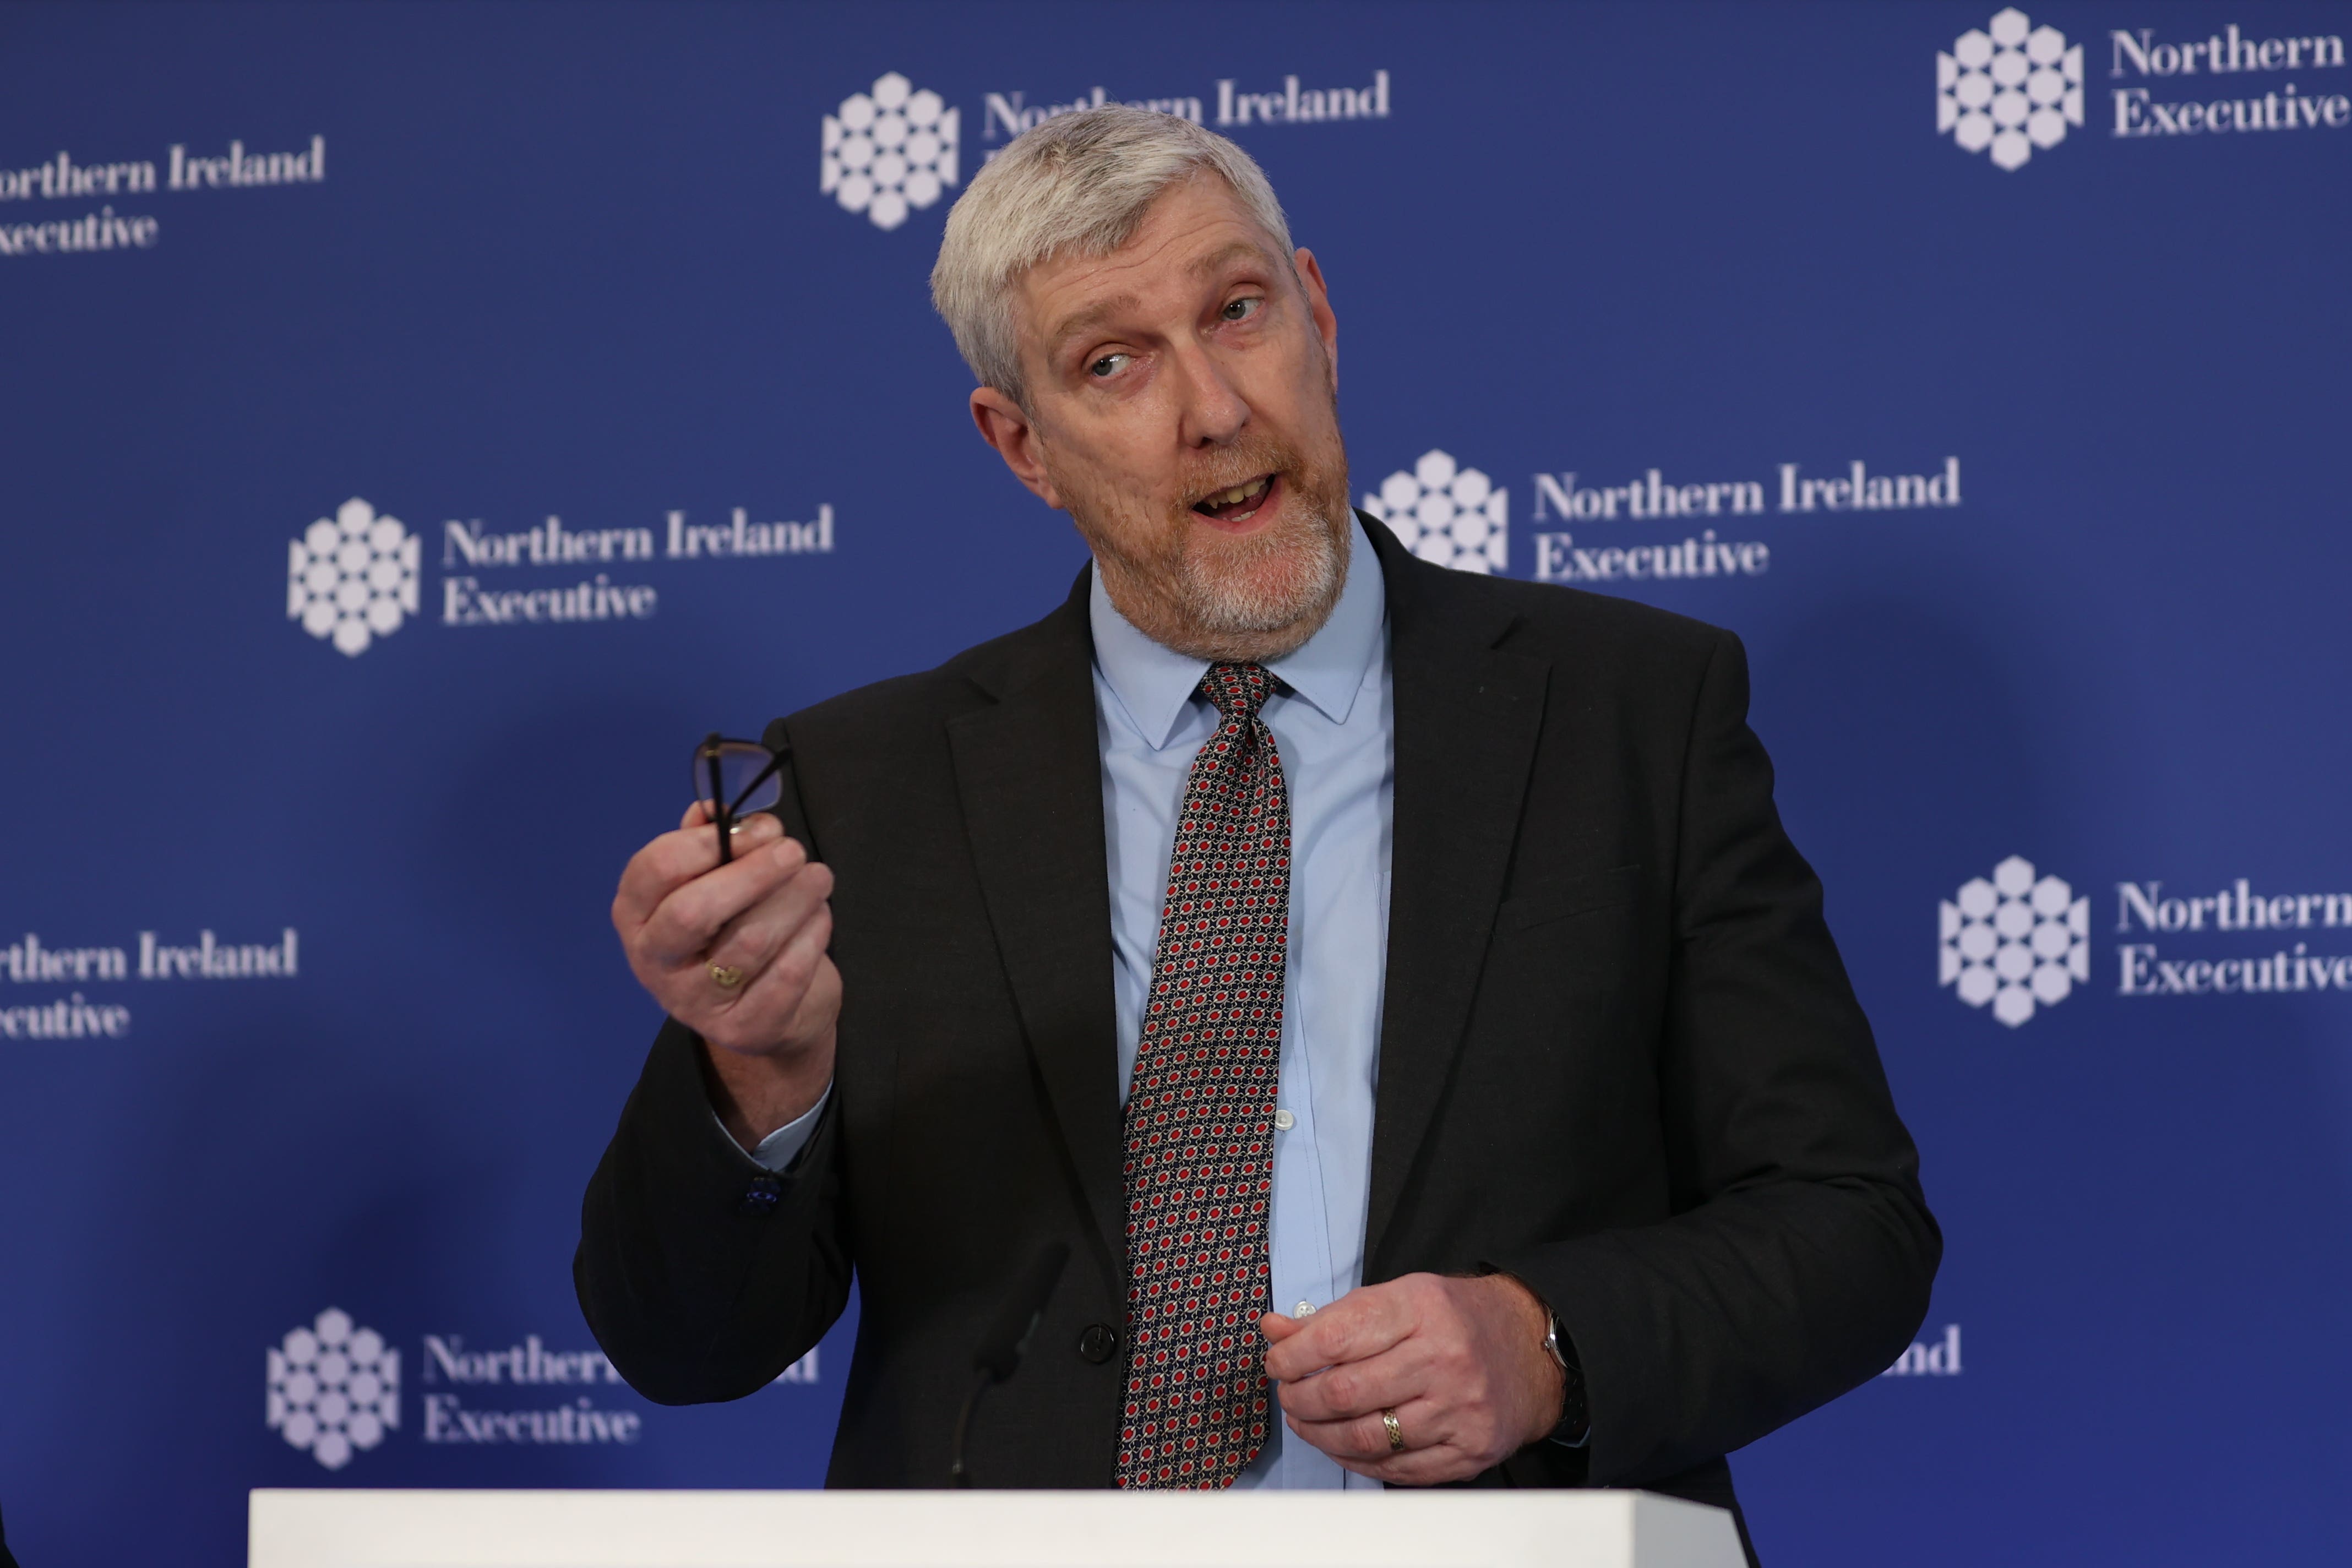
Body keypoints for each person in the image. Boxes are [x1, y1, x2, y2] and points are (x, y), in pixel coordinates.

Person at [577, 106, 1936, 1558]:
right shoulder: (869, 786)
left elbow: (1850, 1224)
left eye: (1238, 311)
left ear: (1319, 318)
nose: (1217, 408)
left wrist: (1548, 1342)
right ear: (1023, 445)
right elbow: (685, 1346)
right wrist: (761, 1076)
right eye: (1113, 362)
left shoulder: (1633, 712)